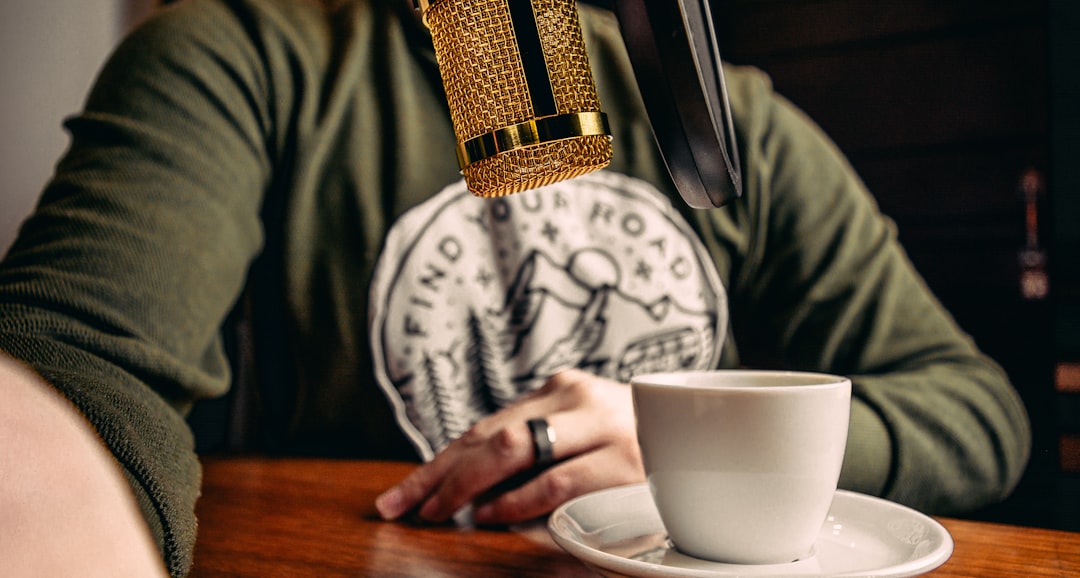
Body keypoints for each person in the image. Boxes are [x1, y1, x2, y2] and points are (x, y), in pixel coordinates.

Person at [0, 0, 1032, 576]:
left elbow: (979, 413)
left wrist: (703, 445)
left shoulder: (738, 125)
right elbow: (75, 381)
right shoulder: (237, 62)